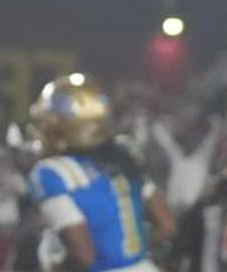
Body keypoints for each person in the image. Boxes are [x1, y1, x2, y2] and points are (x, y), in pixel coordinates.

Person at [28, 73, 177, 272]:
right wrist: (126, 249)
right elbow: (167, 226)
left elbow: (85, 256)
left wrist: (56, 266)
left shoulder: (51, 173)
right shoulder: (124, 157)